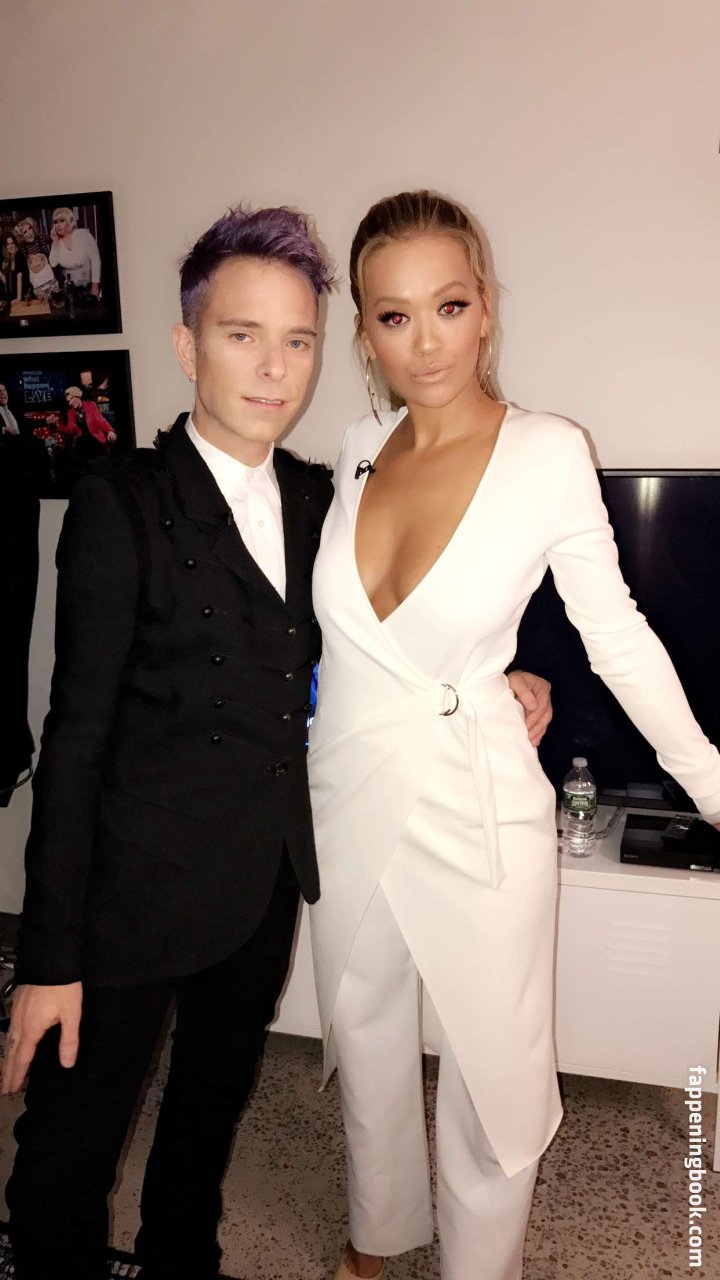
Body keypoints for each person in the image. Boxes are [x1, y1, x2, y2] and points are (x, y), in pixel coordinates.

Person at [1, 201, 549, 1280]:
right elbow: (75, 736)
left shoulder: (321, 497)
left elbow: (394, 628)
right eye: (241, 334)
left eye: (298, 340)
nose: (272, 368)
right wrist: (49, 958)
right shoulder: (122, 502)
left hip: (259, 887)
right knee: (68, 1150)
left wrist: (507, 674)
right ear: (187, 345)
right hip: (127, 897)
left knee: (206, 1120)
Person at [307, 189, 720, 1280]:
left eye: (448, 305)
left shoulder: (546, 451)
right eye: (395, 316)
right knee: (365, 1025)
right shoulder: (356, 447)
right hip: (349, 790)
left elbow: (616, 637)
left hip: (476, 802)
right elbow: (360, 642)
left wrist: (713, 784)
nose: (426, 341)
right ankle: (377, 1233)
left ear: (485, 305)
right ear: (365, 331)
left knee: (494, 1071)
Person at [48, 206, 102, 297]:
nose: (58, 225)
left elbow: (95, 260)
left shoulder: (82, 235)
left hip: (90, 285)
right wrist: (55, 242)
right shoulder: (57, 243)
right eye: (55, 222)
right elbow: (53, 263)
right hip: (71, 290)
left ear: (69, 221)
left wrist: (95, 286)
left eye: (62, 221)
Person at [1, 232, 26, 305]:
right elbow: (7, 282)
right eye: (8, 244)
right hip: (11, 296)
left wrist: (18, 298)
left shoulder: (19, 255)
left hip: (22, 294)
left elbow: (19, 277)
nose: (10, 246)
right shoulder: (7, 259)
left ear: (15, 244)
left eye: (12, 243)